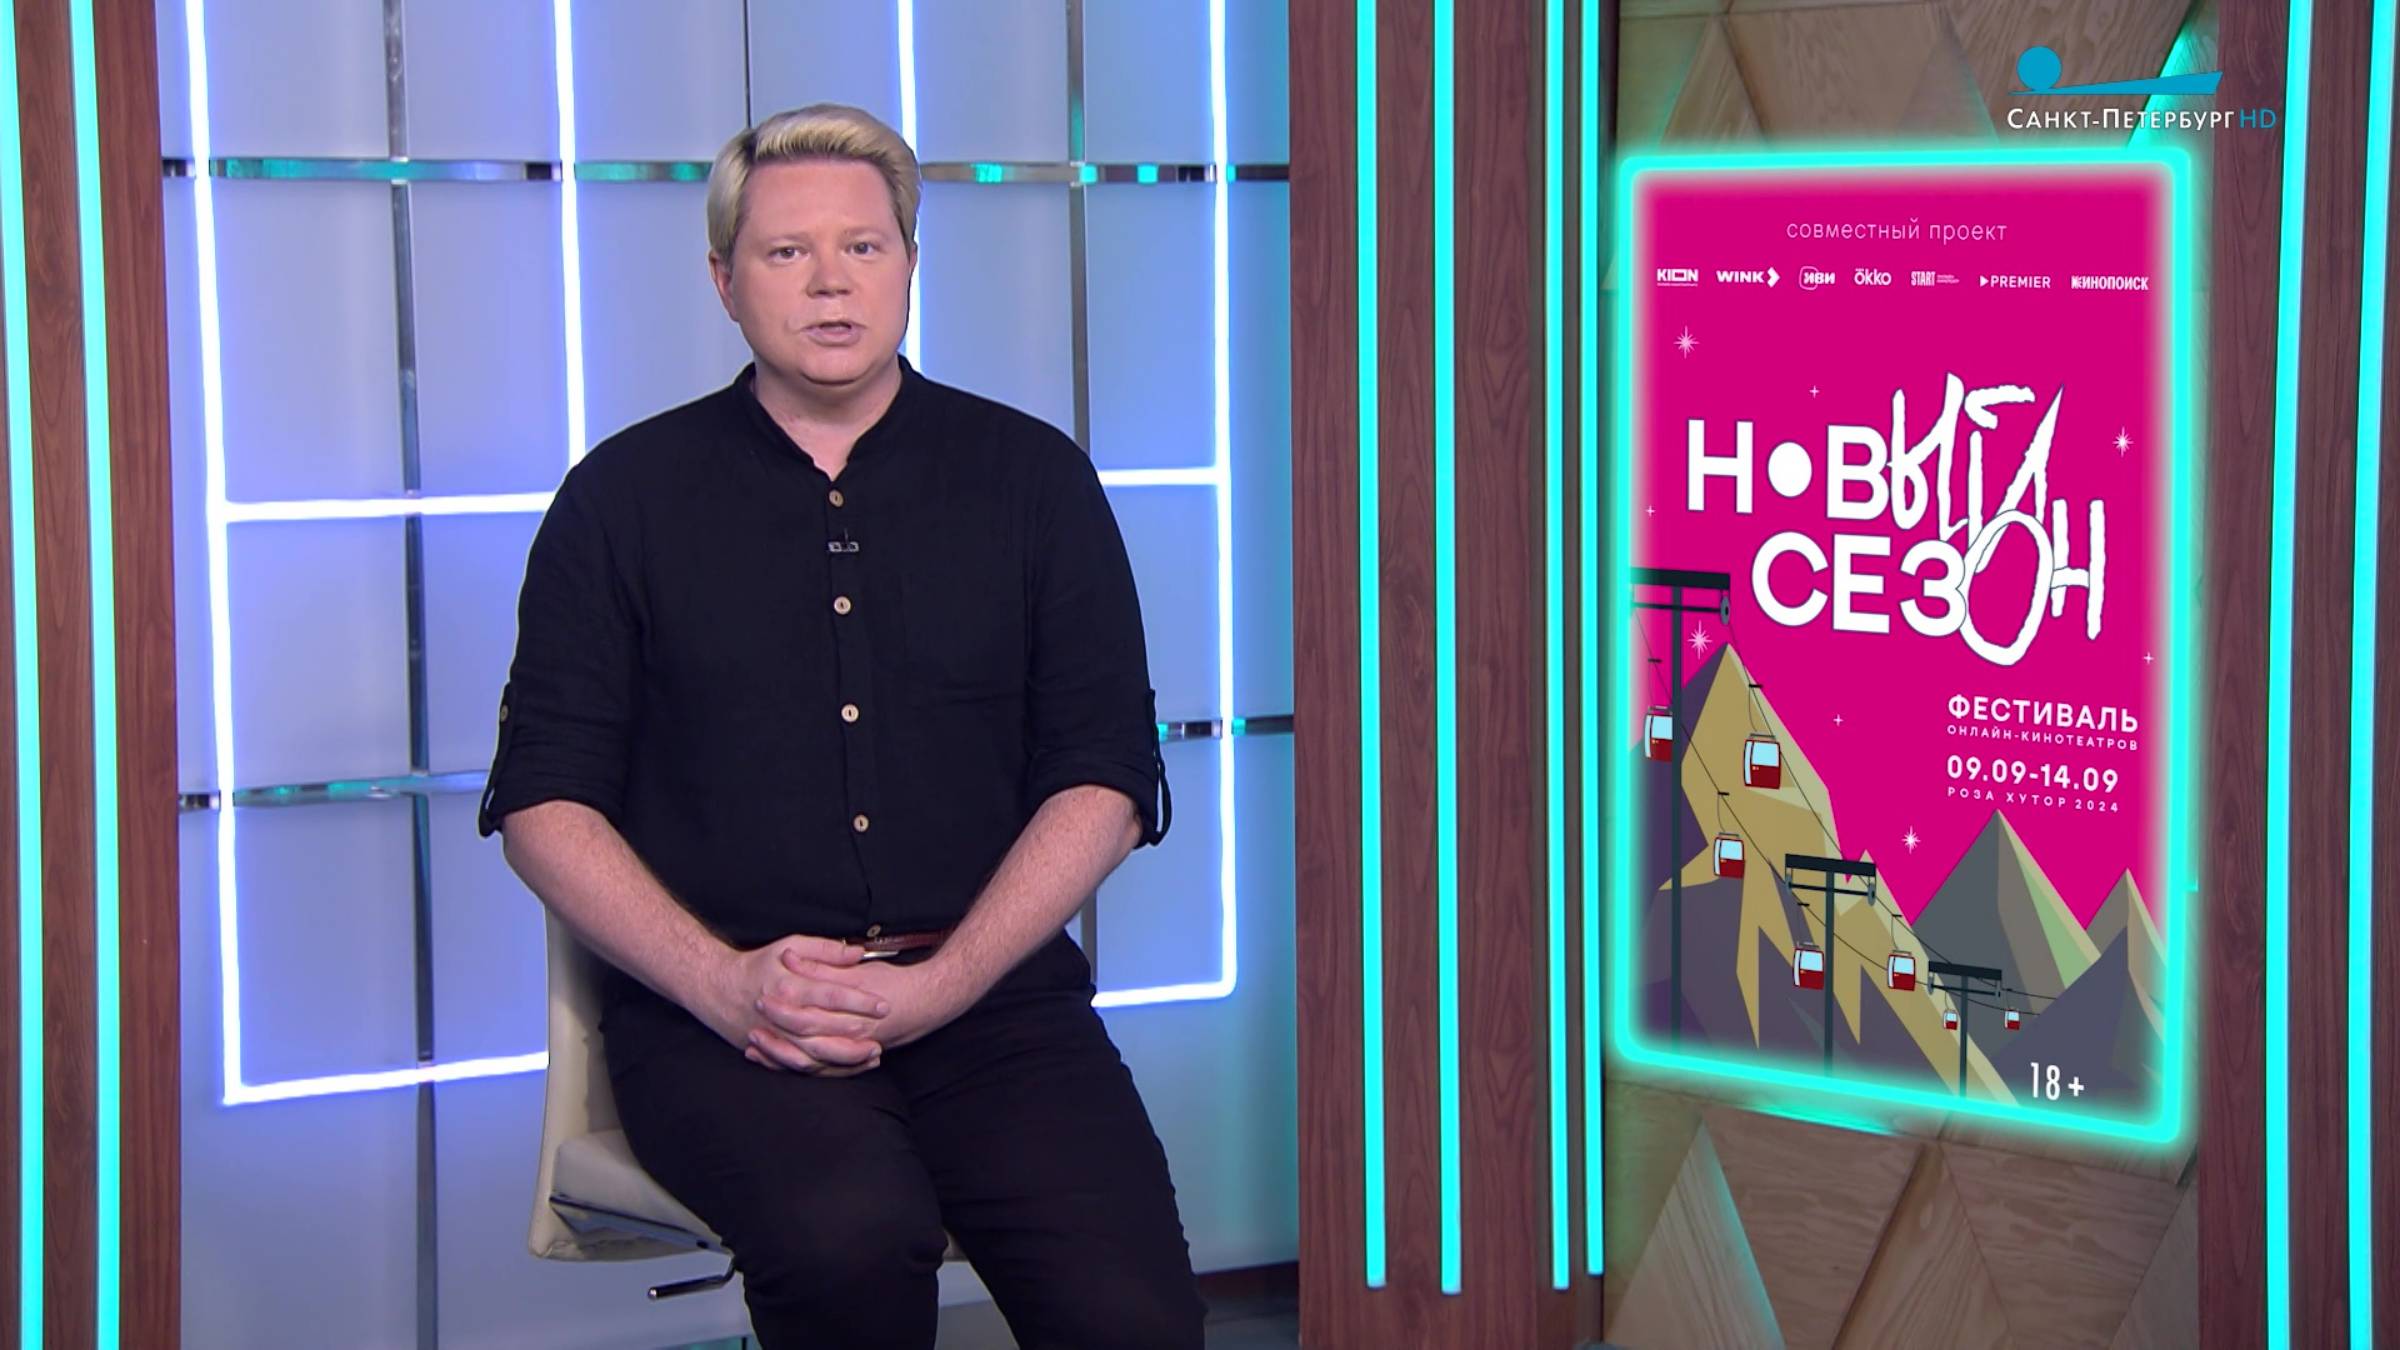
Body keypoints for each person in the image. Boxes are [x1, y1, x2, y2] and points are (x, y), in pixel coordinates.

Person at [479, 103, 1204, 1350]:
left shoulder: (1034, 480)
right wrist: (725, 985)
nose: (830, 281)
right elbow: (544, 801)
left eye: (864, 247)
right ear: (724, 281)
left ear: (910, 264)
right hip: (732, 1021)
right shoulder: (620, 501)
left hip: (994, 1003)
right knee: (851, 1241)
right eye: (786, 252)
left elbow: (1105, 775)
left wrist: (946, 984)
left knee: (1128, 1316)